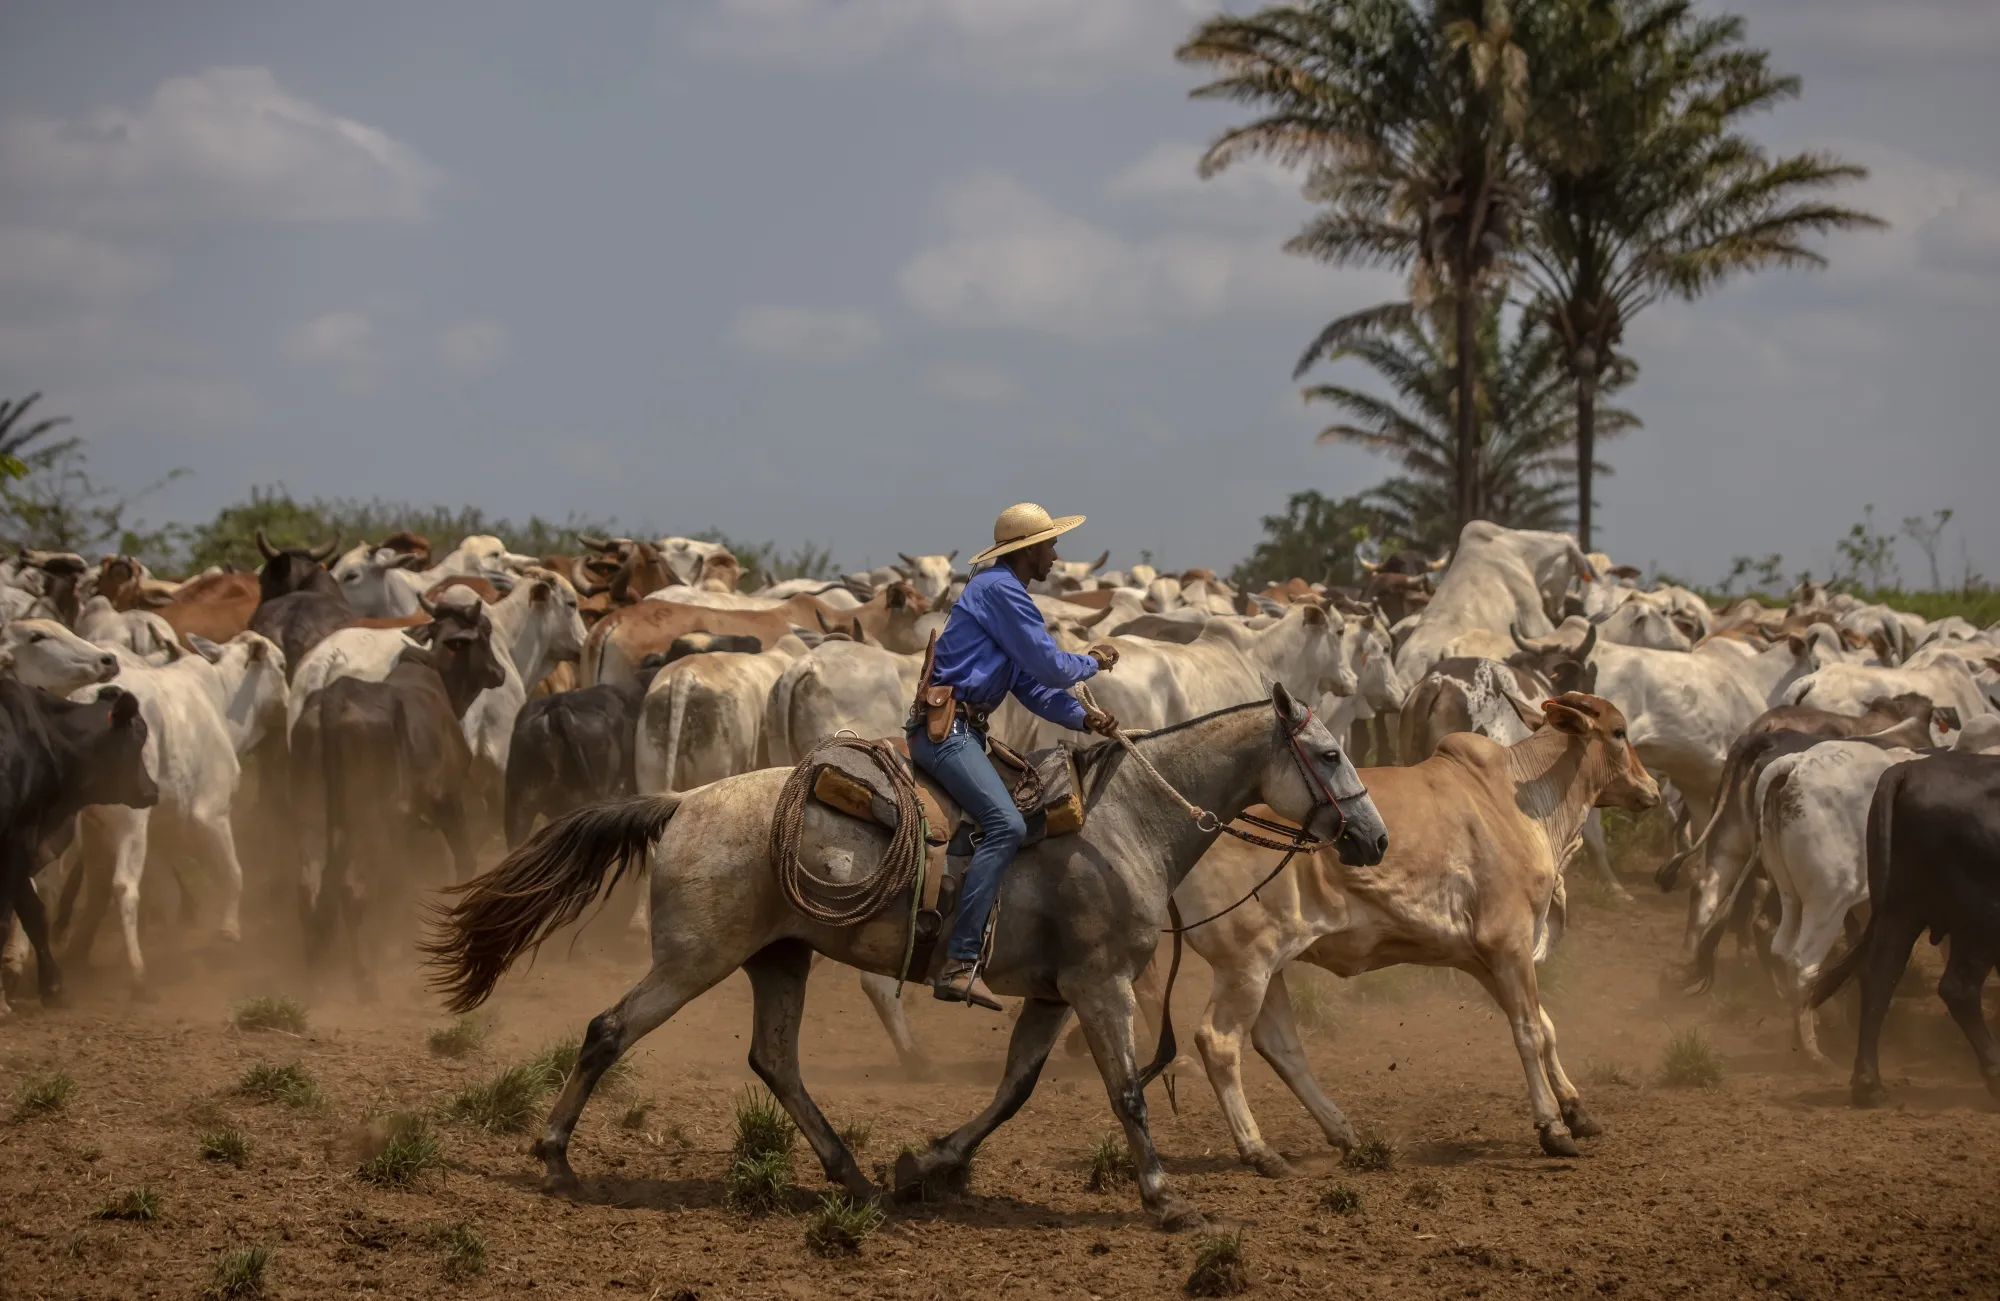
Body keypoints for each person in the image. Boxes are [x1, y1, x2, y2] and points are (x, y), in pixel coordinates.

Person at [907, 502, 1120, 1010]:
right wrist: (1094, 659)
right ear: (1027, 551)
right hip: (949, 732)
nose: (1054, 554)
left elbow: (1030, 683)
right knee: (1007, 825)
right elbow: (1050, 664)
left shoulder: (1000, 591)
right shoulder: (1001, 590)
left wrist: (1082, 718)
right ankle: (960, 961)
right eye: (1049, 545)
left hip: (965, 731)